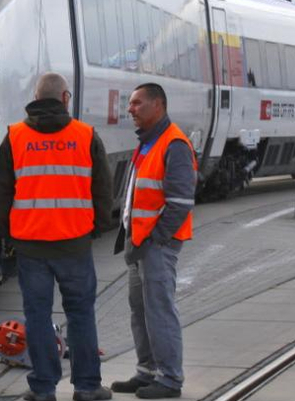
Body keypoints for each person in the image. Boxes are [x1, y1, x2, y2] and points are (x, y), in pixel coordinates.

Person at [0, 72, 113, 401]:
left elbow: (2, 191)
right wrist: (98, 227)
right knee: (81, 314)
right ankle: (87, 387)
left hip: (31, 246)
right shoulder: (84, 135)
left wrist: (6, 233)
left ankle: (43, 388)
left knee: (38, 315)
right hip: (74, 242)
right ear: (65, 98)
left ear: (35, 98)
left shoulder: (15, 137)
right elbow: (103, 188)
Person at [111, 83, 196, 399]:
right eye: (130, 103)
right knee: (140, 309)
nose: (130, 109)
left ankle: (170, 379)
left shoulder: (173, 144)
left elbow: (181, 202)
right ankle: (147, 372)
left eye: (137, 103)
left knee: (159, 309)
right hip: (141, 244)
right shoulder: (148, 142)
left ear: (158, 105)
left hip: (156, 245)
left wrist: (157, 239)